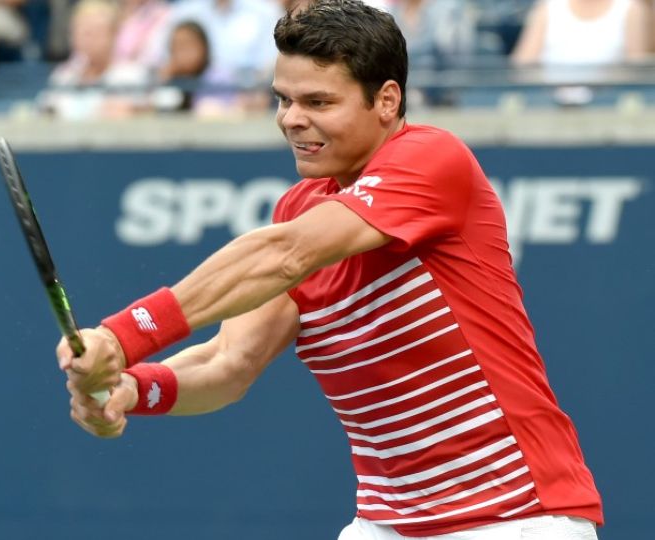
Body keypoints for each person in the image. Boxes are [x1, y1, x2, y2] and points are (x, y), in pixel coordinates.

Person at [57, 1, 603, 538]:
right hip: (385, 523)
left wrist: (124, 335)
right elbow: (229, 363)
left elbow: (284, 255)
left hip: (519, 516)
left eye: (318, 101)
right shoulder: (297, 209)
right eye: (284, 99)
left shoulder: (432, 159)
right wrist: (134, 387)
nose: (293, 119)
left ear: (386, 100)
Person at [511, 0, 650, 66]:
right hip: (550, 105)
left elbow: (636, 69)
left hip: (607, 107)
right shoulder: (547, 8)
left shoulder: (631, 8)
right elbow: (522, 65)